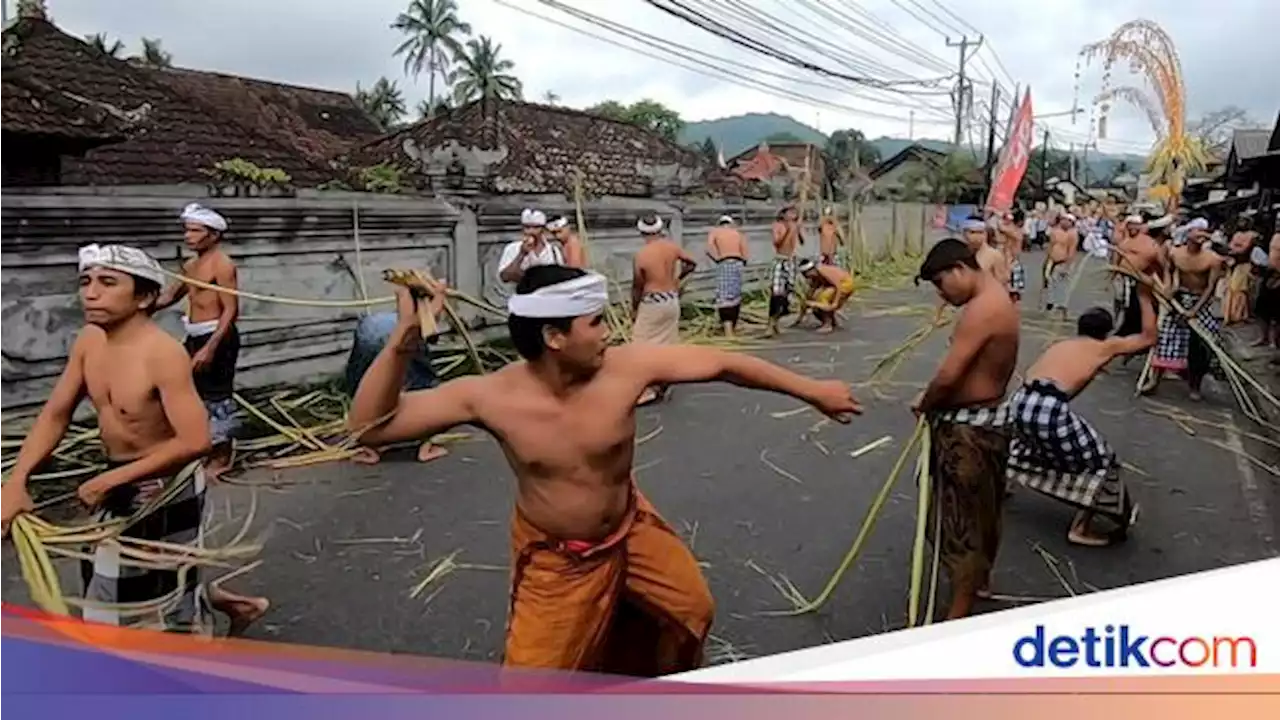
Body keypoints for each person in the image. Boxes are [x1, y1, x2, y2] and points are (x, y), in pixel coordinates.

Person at [345, 264, 862, 674]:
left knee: (690, 614)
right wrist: (403, 337)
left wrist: (813, 391)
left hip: (631, 530)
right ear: (554, 337)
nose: (610, 332)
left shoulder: (627, 369)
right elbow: (372, 428)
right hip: (560, 561)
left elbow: (723, 364)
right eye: (596, 323)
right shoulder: (489, 397)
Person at [0, 244, 260, 635]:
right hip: (117, 478)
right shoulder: (89, 341)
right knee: (126, 578)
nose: (90, 293)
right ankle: (226, 606)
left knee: (151, 598)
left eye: (108, 283)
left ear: (145, 297)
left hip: (164, 485)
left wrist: (110, 481)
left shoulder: (163, 355)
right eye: (85, 282)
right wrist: (17, 480)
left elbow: (196, 441)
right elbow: (56, 413)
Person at [912, 239, 1020, 620]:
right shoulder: (996, 298)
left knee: (962, 523)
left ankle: (957, 613)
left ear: (960, 268)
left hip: (970, 430)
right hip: (984, 421)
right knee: (983, 511)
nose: (941, 293)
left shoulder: (982, 311)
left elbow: (949, 375)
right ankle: (980, 582)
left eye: (941, 283)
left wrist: (925, 402)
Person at [1006, 304, 1155, 547]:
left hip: (1021, 401)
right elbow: (1149, 338)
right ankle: (1080, 529)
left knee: (1024, 447)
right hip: (1047, 407)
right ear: (1106, 332)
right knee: (1101, 460)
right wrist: (1145, 295)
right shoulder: (1104, 346)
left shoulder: (1061, 345)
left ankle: (1001, 485)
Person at [156, 203, 239, 481]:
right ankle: (198, 445)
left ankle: (222, 454)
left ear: (213, 235)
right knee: (185, 389)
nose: (187, 236)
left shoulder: (223, 265)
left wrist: (210, 347)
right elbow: (169, 297)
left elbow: (230, 310)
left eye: (195, 231)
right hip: (193, 334)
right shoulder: (190, 265)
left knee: (217, 395)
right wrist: (136, 307)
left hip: (217, 336)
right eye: (187, 230)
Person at [343, 280, 451, 465]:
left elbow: (361, 426)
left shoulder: (363, 424)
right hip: (382, 424)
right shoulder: (470, 396)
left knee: (376, 331)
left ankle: (412, 435)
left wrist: (406, 328)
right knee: (376, 332)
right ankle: (418, 437)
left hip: (367, 426)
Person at [1148, 225, 1225, 401]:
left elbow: (1210, 288)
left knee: (1201, 345)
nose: (1201, 237)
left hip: (1200, 303)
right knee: (1165, 338)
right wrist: (1168, 288)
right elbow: (1169, 271)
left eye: (1204, 235)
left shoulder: (1213, 259)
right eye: (1197, 233)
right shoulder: (1175, 253)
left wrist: (1194, 311)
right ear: (1188, 235)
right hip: (1179, 298)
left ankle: (1195, 385)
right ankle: (1154, 380)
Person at [631, 214, 697, 406]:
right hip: (671, 299)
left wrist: (634, 308)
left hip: (652, 301)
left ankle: (648, 389)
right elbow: (691, 263)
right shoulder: (671, 247)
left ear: (642, 232)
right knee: (666, 342)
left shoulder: (642, 255)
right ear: (660, 230)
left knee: (641, 345)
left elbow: (637, 286)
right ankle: (664, 381)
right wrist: (678, 280)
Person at [706, 214, 749, 338]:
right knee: (736, 295)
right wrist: (742, 262)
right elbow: (745, 253)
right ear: (731, 223)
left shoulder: (715, 231)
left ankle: (727, 330)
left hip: (724, 262)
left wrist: (717, 259)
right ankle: (732, 328)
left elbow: (709, 249)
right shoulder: (738, 233)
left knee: (724, 296)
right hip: (738, 262)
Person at [497, 209, 563, 286]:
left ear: (543, 230)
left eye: (536, 228)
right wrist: (521, 254)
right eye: (527, 227)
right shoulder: (512, 248)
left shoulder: (553, 251)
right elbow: (505, 277)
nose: (531, 231)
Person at [768, 204, 803, 336]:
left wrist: (797, 229)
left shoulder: (795, 225)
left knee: (788, 292)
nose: (793, 215)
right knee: (776, 292)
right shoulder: (777, 226)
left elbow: (802, 241)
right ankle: (771, 323)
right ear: (783, 214)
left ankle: (777, 319)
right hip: (780, 259)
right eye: (790, 212)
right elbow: (777, 243)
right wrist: (788, 230)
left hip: (791, 260)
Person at [794, 257, 855, 334]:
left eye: (805, 274)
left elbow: (838, 286)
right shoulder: (815, 276)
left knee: (822, 297)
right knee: (816, 300)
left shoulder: (822, 271)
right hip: (838, 286)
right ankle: (832, 322)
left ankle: (827, 324)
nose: (806, 278)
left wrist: (835, 303)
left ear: (810, 270)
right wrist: (806, 303)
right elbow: (811, 291)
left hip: (845, 284)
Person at [1224, 217, 1258, 325]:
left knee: (1242, 291)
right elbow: (1231, 246)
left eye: (1243, 221)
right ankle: (1230, 315)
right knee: (1232, 289)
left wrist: (1235, 249)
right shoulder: (1237, 234)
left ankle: (1240, 315)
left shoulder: (1252, 235)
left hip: (1244, 265)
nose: (1241, 223)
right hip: (1234, 264)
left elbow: (1244, 249)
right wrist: (1235, 249)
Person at [1044, 213, 1079, 318]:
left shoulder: (1073, 234)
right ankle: (1051, 303)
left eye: (1067, 220)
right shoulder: (1055, 231)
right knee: (1050, 283)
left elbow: (1072, 250)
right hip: (1052, 260)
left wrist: (1067, 266)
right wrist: (1048, 260)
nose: (1064, 222)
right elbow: (1051, 245)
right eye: (1063, 220)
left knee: (1063, 286)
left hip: (1064, 262)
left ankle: (1062, 306)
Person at [1255, 227, 1280, 349]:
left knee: (1277, 312)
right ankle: (1263, 337)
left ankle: (1273, 340)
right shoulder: (1275, 237)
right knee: (1262, 309)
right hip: (1269, 273)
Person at [998, 211, 1027, 302]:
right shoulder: (1014, 230)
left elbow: (1000, 227)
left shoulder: (1014, 231)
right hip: (1009, 258)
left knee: (1013, 287)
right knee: (1010, 285)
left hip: (1012, 258)